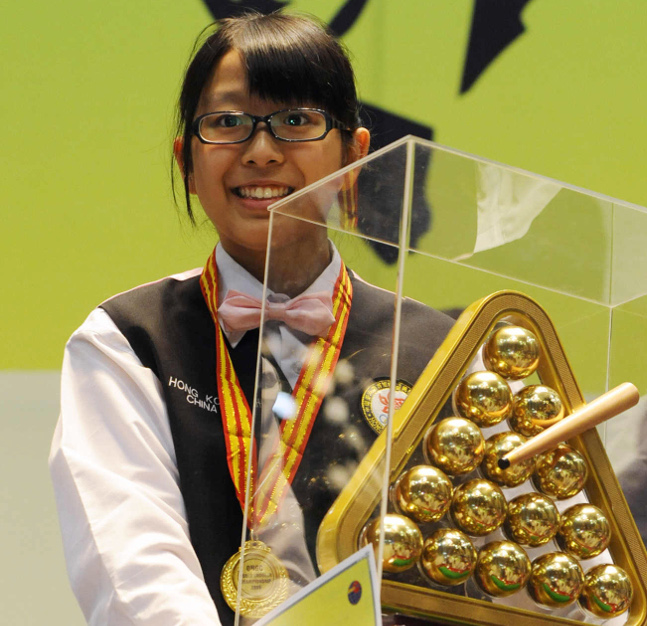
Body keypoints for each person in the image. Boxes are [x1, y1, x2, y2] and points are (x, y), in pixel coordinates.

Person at [49, 12, 454, 626]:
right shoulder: (128, 341)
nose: (260, 152)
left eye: (296, 121)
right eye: (228, 122)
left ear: (355, 154)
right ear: (187, 160)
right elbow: (133, 570)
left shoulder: (441, 352)